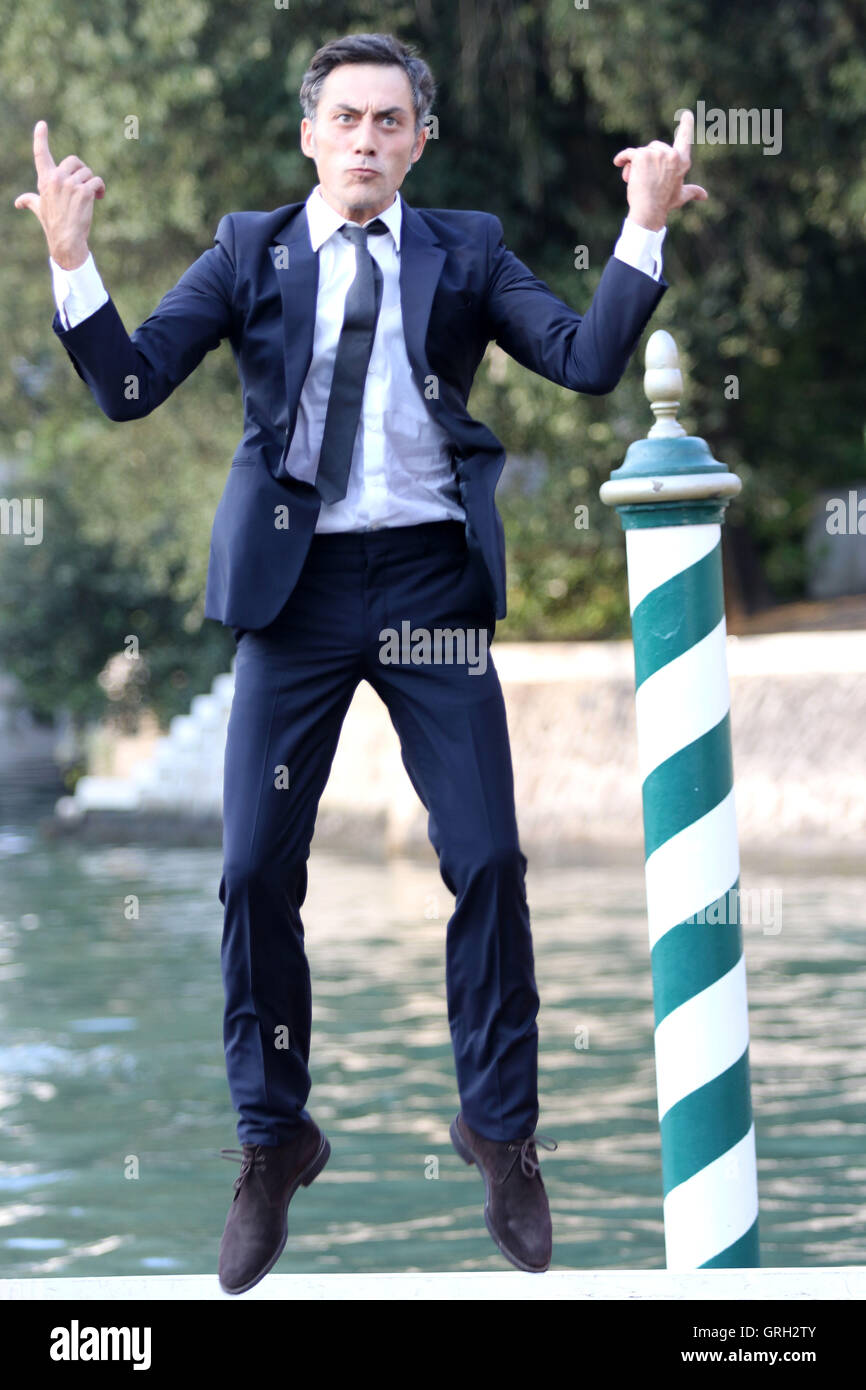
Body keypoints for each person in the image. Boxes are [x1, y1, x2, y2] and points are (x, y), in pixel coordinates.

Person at [15, 31, 706, 1294]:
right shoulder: (248, 250)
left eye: (392, 123)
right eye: (347, 120)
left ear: (418, 143)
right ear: (310, 136)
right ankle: (274, 1141)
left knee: (487, 853)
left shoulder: (469, 248)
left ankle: (498, 1133)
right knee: (247, 872)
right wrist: (73, 264)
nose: (368, 142)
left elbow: (585, 361)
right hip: (298, 591)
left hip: (432, 581)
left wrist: (640, 233)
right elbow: (127, 385)